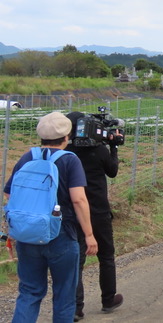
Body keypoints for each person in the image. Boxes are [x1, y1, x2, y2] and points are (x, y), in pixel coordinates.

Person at [3, 111, 98, 322]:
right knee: (64, 295)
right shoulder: (70, 161)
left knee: (29, 292)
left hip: (28, 235)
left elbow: (9, 192)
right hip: (61, 234)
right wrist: (89, 234)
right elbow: (79, 200)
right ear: (67, 137)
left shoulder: (27, 157)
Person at [65, 112, 124, 321]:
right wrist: (113, 147)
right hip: (98, 210)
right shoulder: (99, 150)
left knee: (76, 260)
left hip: (74, 211)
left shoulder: (67, 151)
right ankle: (108, 299)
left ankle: (75, 307)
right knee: (106, 255)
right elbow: (113, 171)